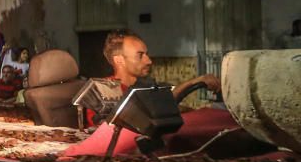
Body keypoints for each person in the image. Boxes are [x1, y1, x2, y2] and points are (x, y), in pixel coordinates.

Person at [84, 29, 221, 126]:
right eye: (140, 55)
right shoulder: (101, 92)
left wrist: (197, 83)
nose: (149, 61)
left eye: (147, 54)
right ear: (119, 60)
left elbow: (164, 103)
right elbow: (143, 116)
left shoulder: (146, 85)